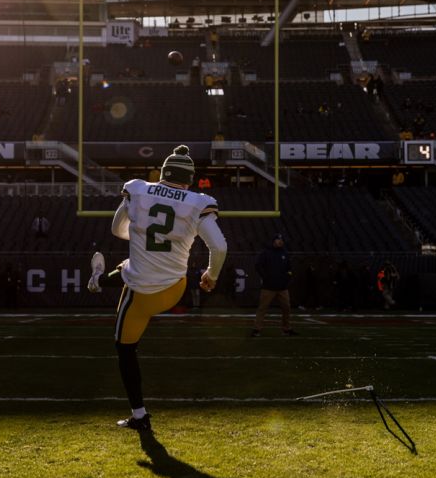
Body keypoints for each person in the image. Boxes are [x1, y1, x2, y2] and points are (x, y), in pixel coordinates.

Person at [86, 145, 227, 432]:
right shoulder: (198, 202)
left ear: (162, 173)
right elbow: (220, 246)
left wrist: (139, 230)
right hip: (174, 289)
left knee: (124, 348)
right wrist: (211, 275)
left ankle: (140, 416)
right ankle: (100, 279)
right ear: (188, 180)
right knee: (132, 265)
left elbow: (116, 229)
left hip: (140, 294)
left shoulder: (138, 190)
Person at [252, 233, 297, 337]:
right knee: (262, 308)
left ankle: (286, 329)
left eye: (281, 240)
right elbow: (258, 265)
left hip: (282, 287)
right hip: (268, 287)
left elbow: (289, 269)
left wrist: (287, 279)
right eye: (278, 239)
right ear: (273, 241)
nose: (280, 241)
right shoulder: (266, 253)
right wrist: (265, 277)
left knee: (287, 308)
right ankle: (257, 329)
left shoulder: (285, 254)